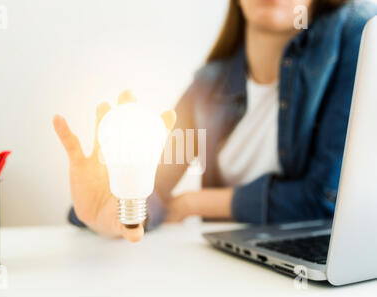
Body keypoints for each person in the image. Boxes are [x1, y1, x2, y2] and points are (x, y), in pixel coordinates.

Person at [53, 0, 377, 242]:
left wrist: (195, 203)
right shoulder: (208, 86)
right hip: (224, 270)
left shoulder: (355, 38)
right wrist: (113, 211)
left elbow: (324, 199)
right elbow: (157, 186)